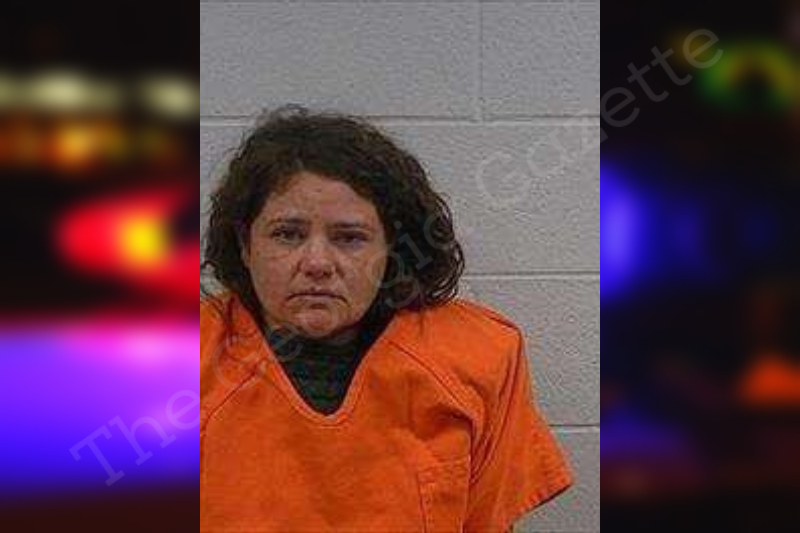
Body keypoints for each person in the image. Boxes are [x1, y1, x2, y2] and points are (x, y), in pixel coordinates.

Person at [200, 105, 573, 532]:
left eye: (349, 238)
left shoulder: (480, 357)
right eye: (287, 234)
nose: (317, 263)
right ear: (245, 245)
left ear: (391, 248)